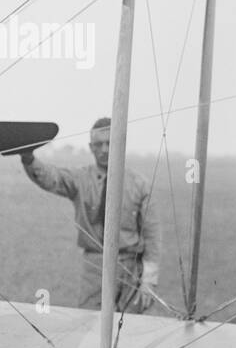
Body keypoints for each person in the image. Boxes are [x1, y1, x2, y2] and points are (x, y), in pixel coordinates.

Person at [20, 117, 160, 312]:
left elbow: (152, 235)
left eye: (110, 143)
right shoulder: (80, 178)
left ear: (121, 144)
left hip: (130, 267)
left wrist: (149, 280)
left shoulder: (140, 185)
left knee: (129, 329)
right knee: (88, 324)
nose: (104, 149)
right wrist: (28, 158)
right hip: (95, 265)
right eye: (98, 144)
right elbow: (51, 177)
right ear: (91, 147)